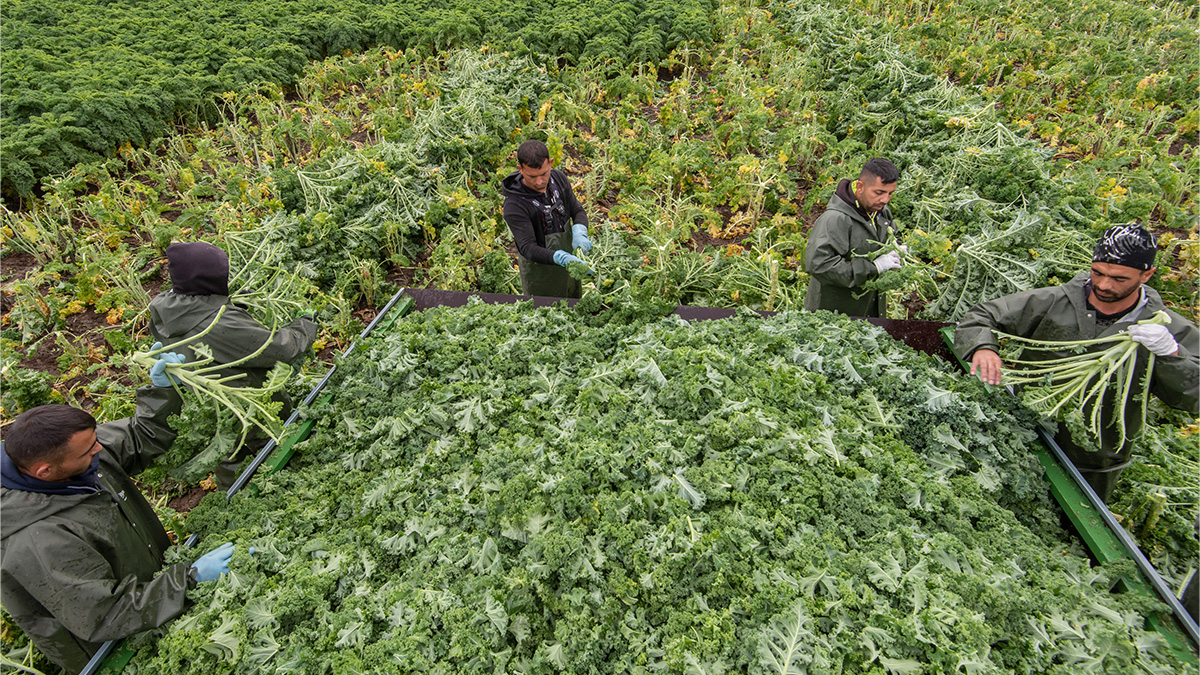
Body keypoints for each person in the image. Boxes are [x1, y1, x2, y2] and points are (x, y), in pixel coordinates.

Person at [0, 356, 237, 674]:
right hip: (115, 646)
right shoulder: (36, 540)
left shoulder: (73, 457)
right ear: (45, 471)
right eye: (89, 450)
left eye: (95, 440)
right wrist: (189, 579)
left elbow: (139, 436)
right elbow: (105, 614)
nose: (100, 449)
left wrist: (163, 392)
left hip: (154, 592)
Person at [954, 223, 1200, 501]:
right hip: (1023, 431)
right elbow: (981, 316)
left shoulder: (1170, 329)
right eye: (1098, 273)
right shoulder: (1055, 301)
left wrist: (1173, 355)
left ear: (1147, 275)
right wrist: (984, 347)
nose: (1104, 285)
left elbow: (1192, 398)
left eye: (1119, 279)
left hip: (1094, 459)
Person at [148, 241, 317, 486]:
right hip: (245, 404)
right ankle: (263, 488)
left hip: (210, 403)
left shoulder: (168, 308)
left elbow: (210, 333)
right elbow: (281, 348)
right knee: (261, 450)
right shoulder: (219, 323)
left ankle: (234, 487)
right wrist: (305, 324)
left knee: (229, 448)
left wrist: (233, 307)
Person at [804, 158, 903, 317]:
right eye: (879, 192)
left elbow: (893, 235)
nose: (885, 200)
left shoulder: (881, 211)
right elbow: (819, 264)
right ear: (860, 186)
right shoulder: (835, 219)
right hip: (834, 315)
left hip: (870, 308)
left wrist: (897, 249)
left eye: (890, 193)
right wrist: (873, 268)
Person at [500, 139, 593, 298]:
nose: (539, 182)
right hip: (541, 274)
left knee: (574, 304)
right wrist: (560, 257)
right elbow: (527, 248)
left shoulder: (558, 178)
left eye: (543, 174)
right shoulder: (515, 205)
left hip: (569, 265)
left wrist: (580, 231)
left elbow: (577, 210)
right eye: (532, 176)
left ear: (550, 163)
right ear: (520, 169)